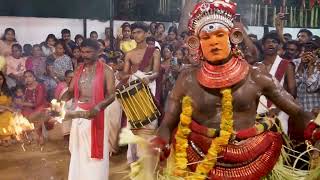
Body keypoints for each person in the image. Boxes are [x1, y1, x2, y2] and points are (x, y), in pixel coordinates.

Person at [151, 1, 312, 179]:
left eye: (219, 35)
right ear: (196, 43)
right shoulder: (186, 78)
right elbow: (167, 123)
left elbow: (298, 112)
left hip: (252, 160)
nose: (214, 43)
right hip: (197, 163)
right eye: (206, 37)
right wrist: (161, 140)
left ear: (233, 37)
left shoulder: (256, 76)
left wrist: (316, 131)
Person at [59, 39, 115, 180]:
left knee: (95, 155)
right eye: (83, 52)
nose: (85, 55)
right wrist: (59, 103)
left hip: (97, 114)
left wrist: (97, 107)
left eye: (89, 52)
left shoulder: (107, 70)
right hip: (79, 113)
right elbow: (71, 91)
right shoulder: (78, 69)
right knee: (78, 152)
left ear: (98, 52)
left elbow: (112, 95)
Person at [121, 22, 161, 163]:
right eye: (134, 32)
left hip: (149, 88)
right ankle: (133, 159)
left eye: (139, 32)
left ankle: (147, 158)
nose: (135, 35)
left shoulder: (154, 51)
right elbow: (125, 75)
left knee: (149, 124)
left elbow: (156, 72)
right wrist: (130, 75)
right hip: (134, 90)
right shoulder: (129, 54)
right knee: (133, 124)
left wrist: (147, 77)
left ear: (146, 33)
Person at [257, 31, 296, 134]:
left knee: (279, 143)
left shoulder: (286, 64)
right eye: (267, 42)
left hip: (280, 110)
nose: (271, 44)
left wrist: (278, 108)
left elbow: (292, 92)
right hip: (258, 110)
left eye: (274, 42)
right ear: (262, 46)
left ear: (279, 46)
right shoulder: (257, 66)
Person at [296, 36, 320, 112]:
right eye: (308, 47)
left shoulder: (318, 66)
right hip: (300, 112)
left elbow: (311, 88)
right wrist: (302, 65)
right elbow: (294, 84)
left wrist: (311, 67)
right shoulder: (297, 62)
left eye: (314, 48)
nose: (310, 50)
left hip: (315, 112)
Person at [0, 71, 14, 147]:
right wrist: (6, 107)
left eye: (1, 79)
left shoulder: (6, 90)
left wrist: (6, 108)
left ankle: (5, 137)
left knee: (8, 115)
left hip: (5, 111)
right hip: (4, 109)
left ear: (3, 80)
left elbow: (10, 103)